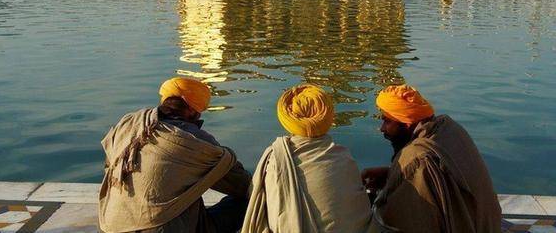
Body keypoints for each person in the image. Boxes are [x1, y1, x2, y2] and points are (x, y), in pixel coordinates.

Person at [99, 77, 251, 233]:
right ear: (194, 111)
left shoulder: (129, 123)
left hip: (109, 226)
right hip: (162, 229)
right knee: (249, 200)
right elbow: (242, 185)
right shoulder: (195, 140)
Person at [363, 84, 501, 233]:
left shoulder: (417, 158)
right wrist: (391, 176)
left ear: (407, 124)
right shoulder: (447, 128)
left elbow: (399, 222)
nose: (382, 128)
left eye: (387, 121)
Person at [241, 84, 376, 233]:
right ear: (328, 117)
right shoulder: (344, 157)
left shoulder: (274, 160)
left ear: (286, 120)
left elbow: (254, 200)